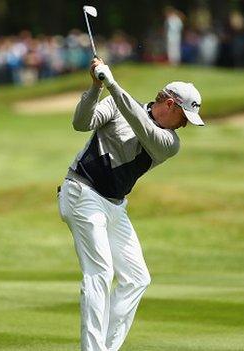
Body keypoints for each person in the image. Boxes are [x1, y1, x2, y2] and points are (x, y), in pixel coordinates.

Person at [58, 58, 204, 351]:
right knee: (100, 273)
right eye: (184, 117)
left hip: (114, 206)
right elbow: (80, 123)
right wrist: (96, 87)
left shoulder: (169, 142)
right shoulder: (115, 106)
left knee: (137, 278)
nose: (185, 125)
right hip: (82, 192)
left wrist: (112, 84)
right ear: (171, 104)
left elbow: (140, 124)